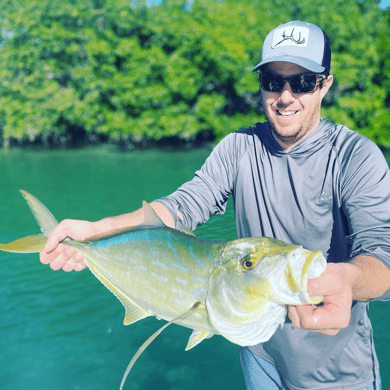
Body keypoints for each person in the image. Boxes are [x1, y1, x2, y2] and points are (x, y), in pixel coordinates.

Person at [40, 21, 390, 390]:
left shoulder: (356, 157)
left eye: (302, 82)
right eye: (273, 81)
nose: (285, 96)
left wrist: (347, 280)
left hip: (336, 372)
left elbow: (383, 256)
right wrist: (96, 231)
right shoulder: (239, 147)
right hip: (259, 353)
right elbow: (182, 207)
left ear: (325, 84)